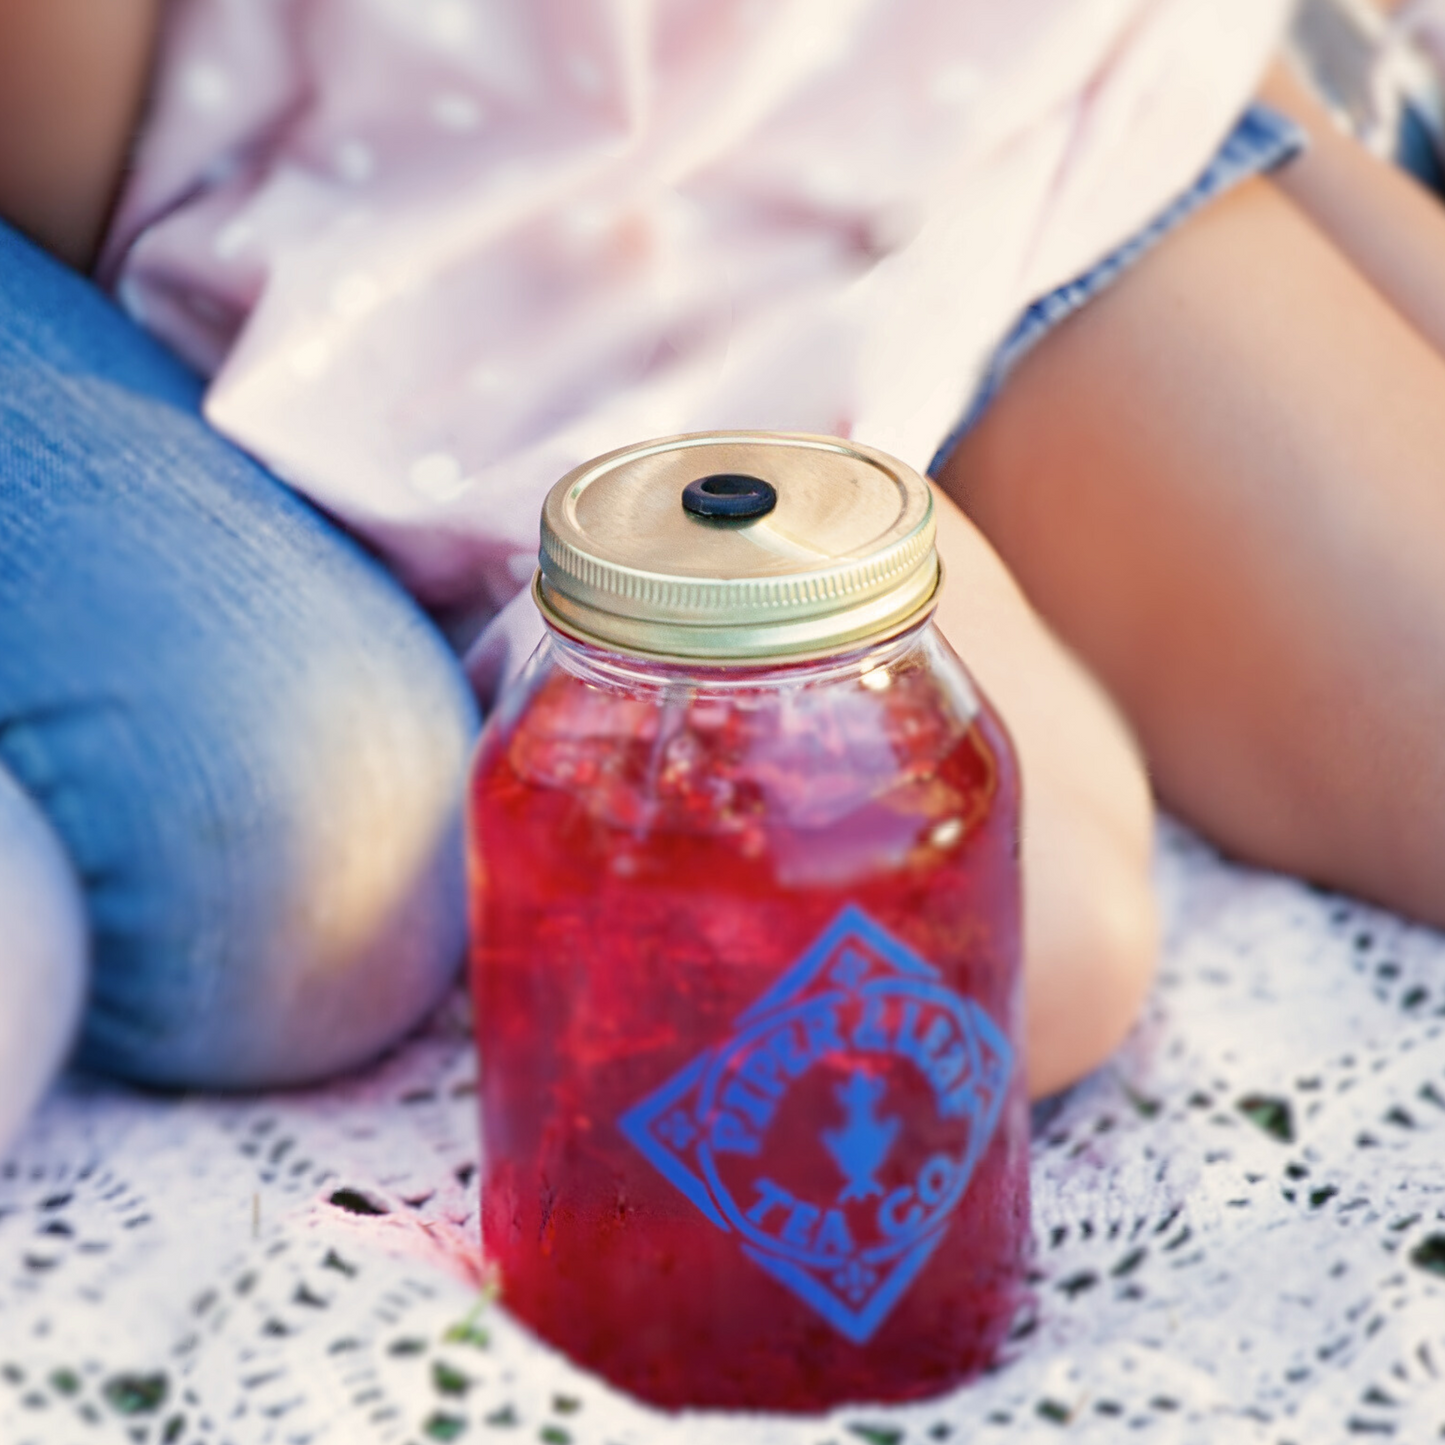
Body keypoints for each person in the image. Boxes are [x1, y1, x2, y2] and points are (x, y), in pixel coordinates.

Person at [2, 0, 1441, 1158]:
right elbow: (66, 155)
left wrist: (1331, 169)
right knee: (1003, 957)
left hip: (1038, 126)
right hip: (526, 300)